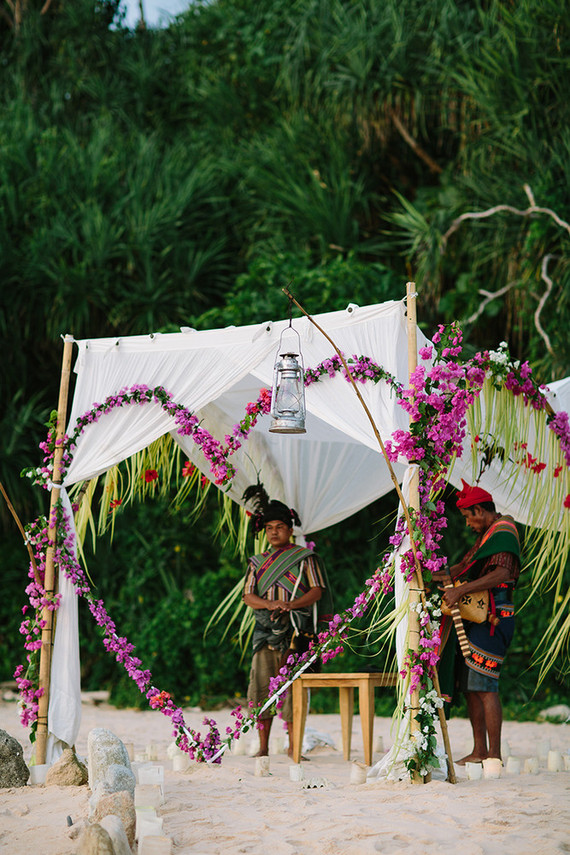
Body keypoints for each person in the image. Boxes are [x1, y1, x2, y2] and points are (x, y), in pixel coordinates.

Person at [436, 479, 521, 766]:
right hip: (479, 615)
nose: (468, 524)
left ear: (480, 511)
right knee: (471, 685)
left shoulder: (504, 532)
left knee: (486, 685)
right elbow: (462, 568)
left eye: (467, 517)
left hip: (497, 616)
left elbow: (502, 574)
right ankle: (479, 751)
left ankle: (494, 755)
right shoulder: (487, 536)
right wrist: (425, 573)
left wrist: (459, 590)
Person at [242, 487, 329, 757]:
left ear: (290, 529)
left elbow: (317, 590)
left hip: (297, 633)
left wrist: (291, 604)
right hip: (265, 633)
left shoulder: (305, 559)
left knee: (295, 688)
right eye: (269, 528)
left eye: (279, 527)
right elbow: (248, 596)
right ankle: (263, 747)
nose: (274, 532)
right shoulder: (257, 562)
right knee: (260, 686)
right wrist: (269, 604)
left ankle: (294, 748)